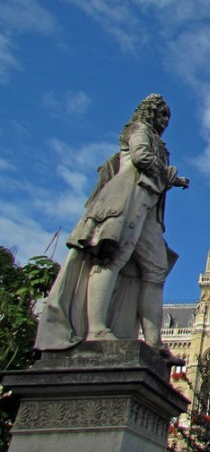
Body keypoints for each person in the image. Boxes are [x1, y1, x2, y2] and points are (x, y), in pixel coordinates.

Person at [35, 94, 189, 364]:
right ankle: (96, 329)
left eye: (167, 116)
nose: (164, 121)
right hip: (127, 202)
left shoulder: (159, 144)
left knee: (156, 269)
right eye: (161, 114)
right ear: (149, 112)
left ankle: (153, 343)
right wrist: (170, 175)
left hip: (149, 210)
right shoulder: (137, 130)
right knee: (112, 259)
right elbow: (141, 157)